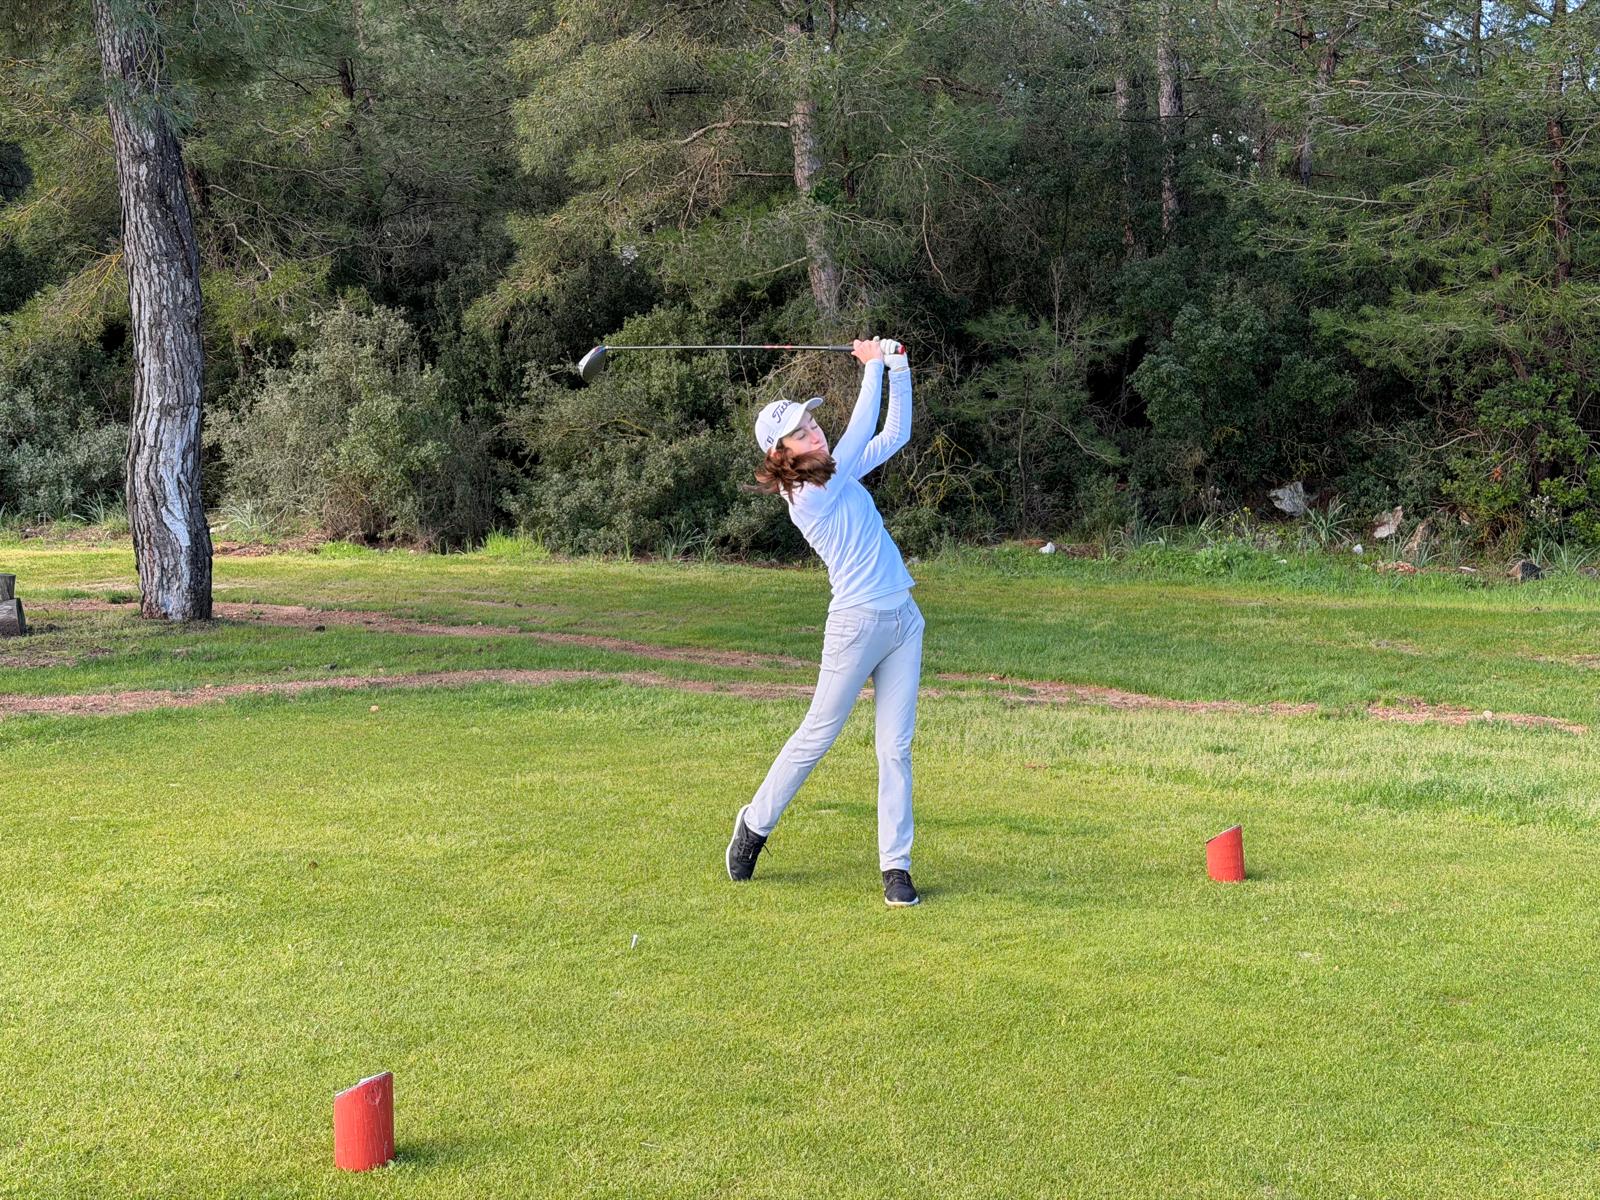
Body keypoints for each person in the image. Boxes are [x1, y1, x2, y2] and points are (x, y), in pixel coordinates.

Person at [726, 337, 925, 907]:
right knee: (818, 734)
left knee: (895, 748)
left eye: (813, 423)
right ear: (780, 453)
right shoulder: (806, 493)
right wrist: (870, 369)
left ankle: (896, 867)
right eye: (801, 432)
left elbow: (894, 435)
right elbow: (860, 432)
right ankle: (755, 825)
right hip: (856, 625)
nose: (815, 432)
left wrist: (898, 369)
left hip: (903, 620)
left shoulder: (837, 471)